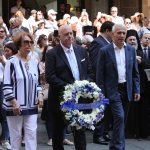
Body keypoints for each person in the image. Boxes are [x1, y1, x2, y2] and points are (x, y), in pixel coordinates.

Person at [45, 24, 93, 150]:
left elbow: (89, 71)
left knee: (80, 131)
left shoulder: (81, 50)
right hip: (60, 100)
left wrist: (84, 84)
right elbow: (50, 76)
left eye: (71, 33)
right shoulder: (52, 53)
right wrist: (70, 88)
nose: (70, 36)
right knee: (58, 133)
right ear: (59, 37)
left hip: (79, 99)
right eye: (66, 34)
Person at [96, 24, 140, 150]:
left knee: (121, 120)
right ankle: (120, 147)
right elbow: (100, 75)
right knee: (119, 117)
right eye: (119, 33)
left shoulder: (131, 50)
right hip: (113, 90)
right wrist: (101, 94)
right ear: (113, 34)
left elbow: (134, 72)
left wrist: (136, 89)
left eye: (123, 33)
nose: (121, 36)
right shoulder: (104, 51)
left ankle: (114, 146)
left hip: (127, 89)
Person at [2, 32, 43, 150]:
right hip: (15, 106)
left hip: (31, 105)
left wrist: (39, 94)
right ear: (18, 44)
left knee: (31, 134)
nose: (28, 45)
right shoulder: (12, 62)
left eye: (30, 42)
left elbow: (38, 83)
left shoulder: (34, 61)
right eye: (25, 42)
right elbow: (6, 85)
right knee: (16, 137)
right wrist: (14, 102)